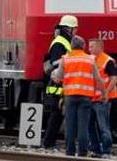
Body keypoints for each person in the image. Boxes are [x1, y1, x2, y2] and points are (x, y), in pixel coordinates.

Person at [51, 36, 104, 157]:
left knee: (70, 125)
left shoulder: (65, 59)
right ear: (84, 46)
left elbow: (58, 78)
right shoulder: (90, 59)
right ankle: (82, 152)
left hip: (70, 96)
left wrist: (54, 75)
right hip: (86, 97)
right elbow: (97, 79)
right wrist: (104, 93)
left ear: (71, 46)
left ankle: (69, 151)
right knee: (83, 126)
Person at [43, 14, 77, 149]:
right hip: (59, 85)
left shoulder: (63, 41)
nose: (76, 32)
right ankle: (48, 142)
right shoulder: (60, 43)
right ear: (69, 29)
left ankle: (49, 142)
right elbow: (56, 63)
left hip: (61, 84)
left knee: (57, 116)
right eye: (75, 29)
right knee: (56, 115)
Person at [87, 38, 117, 158]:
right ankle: (96, 149)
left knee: (103, 126)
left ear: (100, 47)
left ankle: (106, 150)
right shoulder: (90, 60)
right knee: (90, 125)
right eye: (89, 47)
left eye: (92, 47)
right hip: (92, 98)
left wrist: (106, 93)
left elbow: (114, 79)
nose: (89, 49)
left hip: (102, 99)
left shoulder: (107, 60)